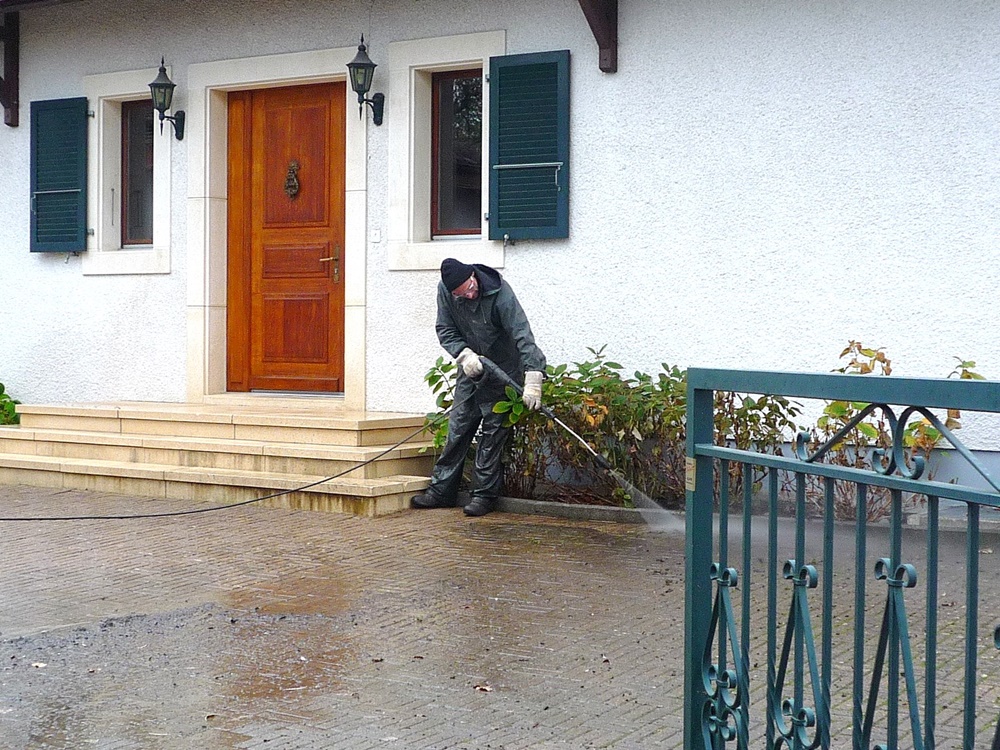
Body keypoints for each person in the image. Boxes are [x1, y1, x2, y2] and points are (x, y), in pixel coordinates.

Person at [411, 258, 546, 517]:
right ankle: (442, 491)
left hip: (503, 371)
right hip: (472, 368)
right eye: (462, 294)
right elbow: (445, 328)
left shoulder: (500, 293)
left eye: (471, 289)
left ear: (473, 277)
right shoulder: (446, 291)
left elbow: (522, 334)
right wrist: (463, 354)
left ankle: (483, 496)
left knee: (492, 435)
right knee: (458, 428)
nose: (470, 295)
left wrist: (533, 376)